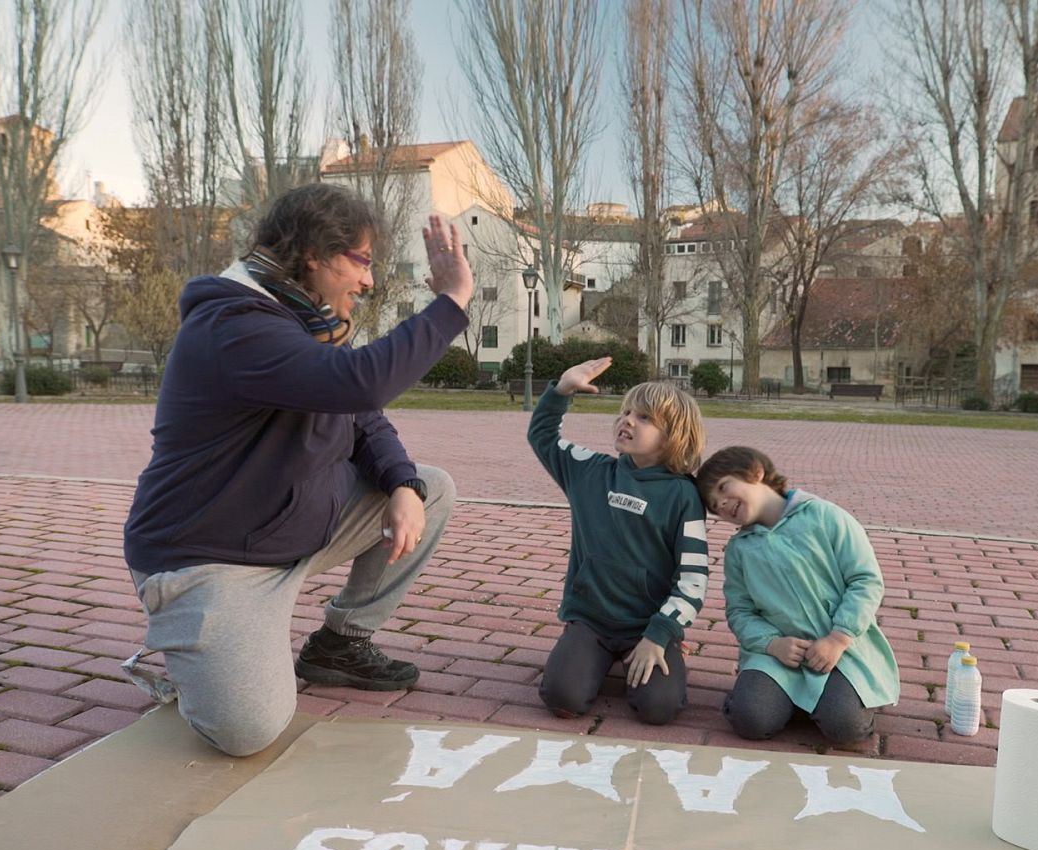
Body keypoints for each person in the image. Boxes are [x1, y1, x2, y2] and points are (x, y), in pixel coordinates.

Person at [121, 184, 473, 756]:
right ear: (315, 254)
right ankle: (193, 640)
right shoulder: (235, 325)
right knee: (247, 732)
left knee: (429, 488)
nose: (368, 281)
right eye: (361, 261)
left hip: (290, 528)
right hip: (212, 558)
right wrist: (452, 300)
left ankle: (339, 644)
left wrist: (402, 484)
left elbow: (361, 412)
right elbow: (358, 381)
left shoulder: (302, 322)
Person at [527, 357, 708, 725]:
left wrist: (659, 634)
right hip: (591, 620)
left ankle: (669, 648)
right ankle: (582, 651)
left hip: (649, 625)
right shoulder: (590, 471)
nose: (627, 420)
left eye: (644, 418)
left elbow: (693, 580)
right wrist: (562, 390)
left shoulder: (684, 496)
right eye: (625, 412)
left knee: (659, 709)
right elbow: (542, 437)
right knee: (563, 699)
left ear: (673, 435)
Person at [695, 446, 898, 745]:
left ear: (756, 472)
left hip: (840, 651)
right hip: (777, 656)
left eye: (724, 488)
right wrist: (771, 643)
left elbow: (865, 580)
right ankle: (785, 698)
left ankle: (846, 697)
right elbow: (740, 611)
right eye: (715, 505)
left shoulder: (825, 516)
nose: (723, 503)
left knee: (845, 728)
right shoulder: (739, 550)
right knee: (750, 719)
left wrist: (839, 637)